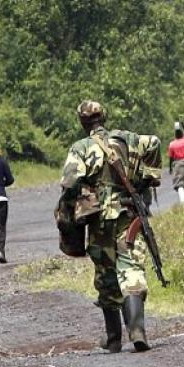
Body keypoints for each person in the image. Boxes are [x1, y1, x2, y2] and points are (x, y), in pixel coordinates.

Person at [58, 100, 162, 353]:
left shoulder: (80, 147)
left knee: (106, 273)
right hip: (128, 211)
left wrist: (71, 210)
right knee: (132, 267)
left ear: (83, 123)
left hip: (99, 218)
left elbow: (70, 182)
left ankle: (114, 337)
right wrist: (148, 177)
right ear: (104, 117)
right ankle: (137, 330)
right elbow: (155, 143)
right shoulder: (129, 139)